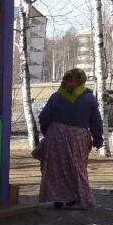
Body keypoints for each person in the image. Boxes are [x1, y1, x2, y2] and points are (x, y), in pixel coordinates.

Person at [37, 68, 104, 209]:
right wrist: (97, 138)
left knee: (57, 169)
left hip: (56, 136)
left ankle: (59, 198)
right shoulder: (89, 98)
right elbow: (96, 121)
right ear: (82, 81)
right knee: (77, 168)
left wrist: (48, 133)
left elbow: (43, 118)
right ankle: (76, 197)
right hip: (79, 138)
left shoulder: (56, 97)